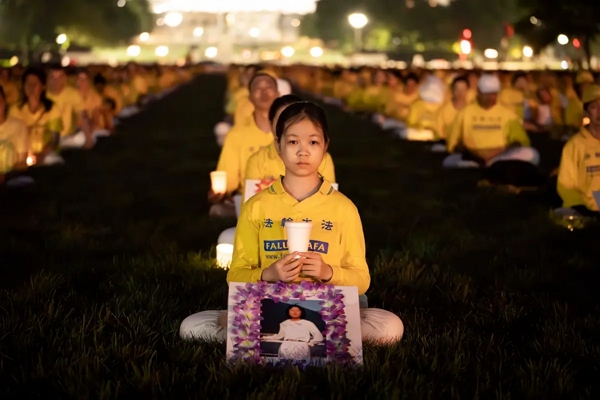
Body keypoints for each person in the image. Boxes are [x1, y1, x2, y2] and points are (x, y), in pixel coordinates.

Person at [180, 101, 404, 344]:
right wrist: (269, 274)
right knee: (192, 327)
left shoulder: (343, 208)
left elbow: (361, 279)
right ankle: (331, 340)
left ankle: (259, 338)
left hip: (327, 307)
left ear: (325, 146)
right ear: (278, 146)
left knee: (390, 326)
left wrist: (327, 272)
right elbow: (235, 276)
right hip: (269, 305)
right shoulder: (257, 206)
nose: (303, 151)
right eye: (293, 141)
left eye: (313, 142)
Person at [209, 71, 280, 218]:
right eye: (257, 88)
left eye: (268, 87)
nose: (264, 92)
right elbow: (228, 177)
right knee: (217, 211)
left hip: (285, 199)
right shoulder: (237, 134)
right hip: (247, 200)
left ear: (278, 94)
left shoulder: (292, 132)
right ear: (249, 97)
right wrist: (219, 192)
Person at [243, 94, 336, 197]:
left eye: (313, 142)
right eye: (282, 119)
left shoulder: (323, 159)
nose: (303, 153)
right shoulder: (257, 160)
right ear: (271, 123)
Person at [444, 74, 539, 168]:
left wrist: (498, 151)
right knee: (449, 160)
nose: (490, 98)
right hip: (472, 157)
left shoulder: (507, 114)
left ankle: (492, 165)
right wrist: (474, 153)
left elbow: (521, 141)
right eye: (486, 94)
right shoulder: (464, 113)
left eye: (493, 94)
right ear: (479, 92)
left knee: (532, 154)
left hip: (501, 156)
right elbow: (453, 144)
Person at [557, 84, 600, 216]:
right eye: (594, 107)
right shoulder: (574, 145)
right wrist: (582, 207)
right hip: (586, 205)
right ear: (586, 112)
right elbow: (566, 186)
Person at [9, 67, 67, 162]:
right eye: (27, 83)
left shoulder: (52, 108)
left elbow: (55, 138)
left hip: (45, 155)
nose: (31, 87)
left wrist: (42, 154)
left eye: (35, 84)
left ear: (43, 86)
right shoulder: (15, 110)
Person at [0, 86, 29, 180]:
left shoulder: (19, 126)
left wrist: (5, 176)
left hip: (11, 178)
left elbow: (22, 162)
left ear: (4, 102)